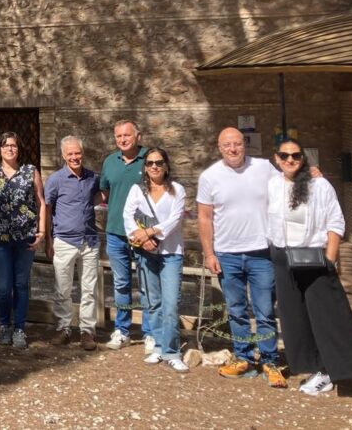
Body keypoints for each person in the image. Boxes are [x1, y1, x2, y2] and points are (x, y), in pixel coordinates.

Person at [267, 140, 352, 405]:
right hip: (282, 260)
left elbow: (335, 221)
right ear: (276, 158)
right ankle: (323, 371)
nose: (290, 160)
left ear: (303, 158)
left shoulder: (319, 185)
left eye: (295, 155)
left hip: (313, 260)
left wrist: (330, 258)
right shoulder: (272, 183)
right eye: (284, 156)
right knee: (297, 322)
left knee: (334, 319)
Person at [198, 127, 286, 387]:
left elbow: (289, 185)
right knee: (236, 311)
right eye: (227, 145)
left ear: (244, 145)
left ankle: (270, 360)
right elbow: (205, 217)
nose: (233, 149)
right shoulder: (209, 176)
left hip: (261, 252)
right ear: (219, 147)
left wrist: (311, 176)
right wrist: (209, 253)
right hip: (227, 254)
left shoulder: (264, 168)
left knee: (265, 311)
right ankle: (244, 358)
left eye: (237, 144)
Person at [0, 131, 48, 350]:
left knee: (21, 284)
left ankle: (19, 328)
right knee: (3, 286)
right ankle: (4, 327)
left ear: (19, 149)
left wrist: (42, 232)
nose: (10, 149)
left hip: (25, 238)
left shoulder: (30, 171)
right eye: (6, 145)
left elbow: (41, 203)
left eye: (14, 146)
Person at [123, 147, 188, 372]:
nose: (154, 166)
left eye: (158, 162)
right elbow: (128, 216)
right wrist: (141, 239)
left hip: (171, 253)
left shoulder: (177, 190)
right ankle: (159, 346)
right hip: (146, 252)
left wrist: (150, 233)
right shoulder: (137, 190)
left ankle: (172, 351)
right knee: (153, 303)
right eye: (150, 163)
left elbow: (174, 220)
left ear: (166, 165)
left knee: (170, 303)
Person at [97, 119, 152, 352]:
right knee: (121, 284)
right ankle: (123, 330)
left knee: (148, 284)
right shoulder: (110, 161)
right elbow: (105, 193)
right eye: (118, 136)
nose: (123, 140)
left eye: (127, 135)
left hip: (144, 233)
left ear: (138, 136)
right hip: (116, 232)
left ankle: (151, 332)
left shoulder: (151, 158)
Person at [44, 136, 101, 351]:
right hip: (64, 241)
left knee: (89, 289)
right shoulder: (56, 179)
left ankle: (87, 331)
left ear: (82, 153)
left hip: (89, 241)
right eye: (70, 154)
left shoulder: (92, 178)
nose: (75, 157)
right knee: (63, 288)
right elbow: (47, 209)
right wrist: (48, 239)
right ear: (63, 156)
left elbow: (102, 194)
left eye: (77, 153)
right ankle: (64, 328)